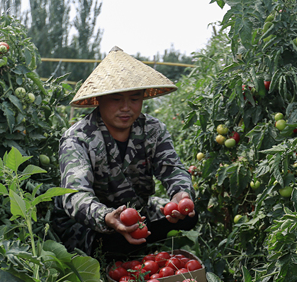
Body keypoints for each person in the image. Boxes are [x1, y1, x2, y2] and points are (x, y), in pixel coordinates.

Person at [53, 46, 197, 257]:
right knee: (116, 241)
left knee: (189, 216)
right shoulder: (78, 138)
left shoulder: (152, 129)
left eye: (134, 99)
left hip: (136, 214)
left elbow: (172, 168)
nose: (126, 107)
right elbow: (75, 195)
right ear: (99, 99)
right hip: (91, 223)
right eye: (116, 99)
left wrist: (180, 194)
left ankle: (137, 242)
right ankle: (121, 247)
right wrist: (105, 217)